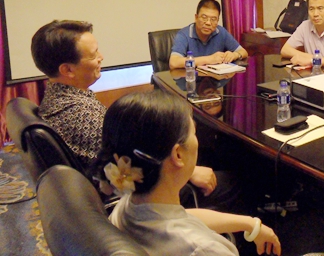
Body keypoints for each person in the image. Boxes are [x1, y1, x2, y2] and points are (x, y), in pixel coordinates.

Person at [31, 20, 223, 202]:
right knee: (233, 180)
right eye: (94, 55)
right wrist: (191, 172)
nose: (101, 57)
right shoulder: (80, 114)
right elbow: (133, 164)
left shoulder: (59, 97)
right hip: (143, 197)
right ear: (67, 70)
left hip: (131, 176)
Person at [94, 90, 281, 256]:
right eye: (194, 132)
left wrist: (249, 224)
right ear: (178, 154)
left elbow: (182, 217)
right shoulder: (204, 250)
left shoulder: (127, 205)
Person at [170, 0, 248, 69]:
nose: (208, 23)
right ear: (196, 18)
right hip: (192, 78)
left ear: (217, 20)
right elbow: (174, 63)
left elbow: (243, 52)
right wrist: (209, 59)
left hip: (215, 78)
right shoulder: (184, 34)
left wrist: (234, 55)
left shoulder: (221, 32)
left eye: (213, 19)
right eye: (204, 17)